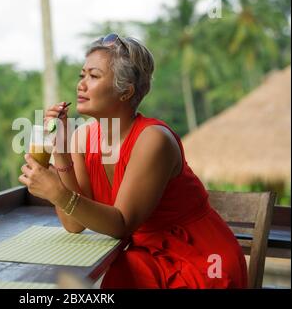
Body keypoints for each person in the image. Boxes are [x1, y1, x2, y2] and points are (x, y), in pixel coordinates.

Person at [18, 33, 248, 289]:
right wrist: (60, 148)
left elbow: (121, 225)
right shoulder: (82, 138)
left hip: (198, 262)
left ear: (125, 91)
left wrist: (58, 193)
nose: (81, 85)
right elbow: (74, 223)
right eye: (82, 75)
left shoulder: (153, 140)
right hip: (145, 257)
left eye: (94, 76)